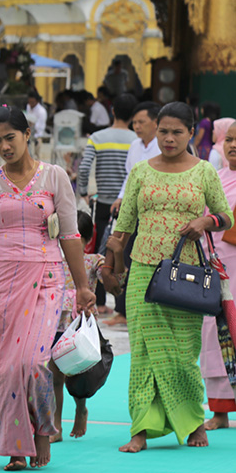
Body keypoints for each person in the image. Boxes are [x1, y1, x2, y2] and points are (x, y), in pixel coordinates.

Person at [0, 107, 96, 471]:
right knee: (3, 367)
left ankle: (43, 430)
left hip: (45, 278)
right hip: (3, 281)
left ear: (28, 133)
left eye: (9, 138)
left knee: (33, 362)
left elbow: (69, 234)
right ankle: (17, 445)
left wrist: (82, 286)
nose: (4, 146)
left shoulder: (54, 177)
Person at [105, 102, 232, 453]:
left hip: (187, 276)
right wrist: (109, 267)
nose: (169, 138)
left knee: (182, 352)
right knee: (144, 352)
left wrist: (205, 222)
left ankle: (192, 423)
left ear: (192, 133)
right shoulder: (142, 172)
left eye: (177, 132)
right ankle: (141, 430)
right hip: (144, 272)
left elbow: (225, 217)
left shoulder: (204, 171)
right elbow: (124, 227)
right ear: (155, 132)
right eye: (163, 131)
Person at [75, 93, 136, 312]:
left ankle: (98, 302)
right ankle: (121, 306)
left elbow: (83, 167)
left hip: (103, 203)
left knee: (97, 251)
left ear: (112, 111)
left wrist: (83, 191)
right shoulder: (137, 141)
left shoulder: (98, 137)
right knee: (124, 252)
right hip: (128, 206)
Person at [105, 101, 162, 326]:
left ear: (155, 123)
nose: (136, 126)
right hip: (131, 211)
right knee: (123, 255)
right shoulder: (135, 146)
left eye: (141, 122)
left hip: (153, 213)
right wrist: (120, 197)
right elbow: (129, 177)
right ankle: (122, 310)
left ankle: (152, 307)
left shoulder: (163, 146)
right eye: (134, 122)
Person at [50, 211, 104, 440]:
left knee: (77, 373)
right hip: (54, 321)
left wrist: (114, 256)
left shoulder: (92, 261)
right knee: (55, 374)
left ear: (86, 240)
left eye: (75, 238)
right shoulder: (50, 260)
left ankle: (80, 408)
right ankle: (55, 425)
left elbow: (111, 278)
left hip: (79, 324)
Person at [202, 125, 236, 429]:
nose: (233, 145)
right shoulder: (215, 180)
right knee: (215, 334)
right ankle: (220, 411)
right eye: (231, 139)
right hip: (219, 268)